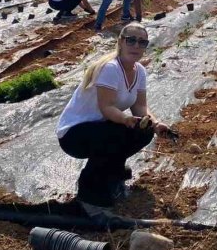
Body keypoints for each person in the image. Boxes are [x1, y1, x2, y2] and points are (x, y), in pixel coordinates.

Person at [57, 23, 172, 208]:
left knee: (144, 131)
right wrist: (125, 119)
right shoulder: (110, 68)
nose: (136, 46)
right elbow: (107, 107)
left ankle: (113, 171)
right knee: (117, 134)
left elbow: (140, 106)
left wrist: (156, 124)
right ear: (120, 41)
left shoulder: (139, 71)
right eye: (131, 40)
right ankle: (89, 193)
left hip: (100, 129)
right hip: (74, 134)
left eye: (142, 42)